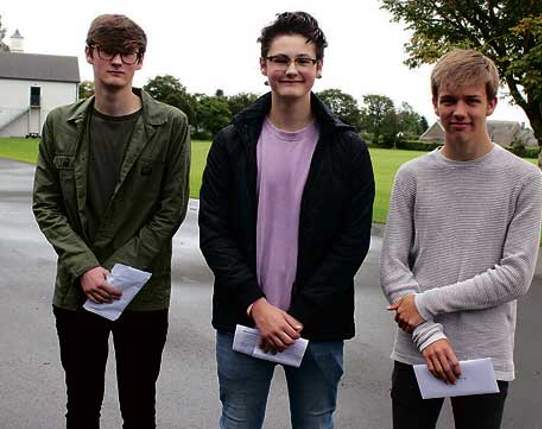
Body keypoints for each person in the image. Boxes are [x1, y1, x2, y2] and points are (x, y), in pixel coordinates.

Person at [199, 11, 375, 429]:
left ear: (319, 67)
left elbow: (352, 241)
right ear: (264, 66)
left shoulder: (347, 148)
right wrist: (257, 305)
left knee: (315, 423)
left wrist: (300, 313)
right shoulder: (232, 141)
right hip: (244, 319)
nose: (291, 69)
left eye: (302, 60)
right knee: (238, 421)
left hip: (318, 325)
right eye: (280, 59)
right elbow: (214, 231)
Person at [32, 14, 190, 429]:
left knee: (139, 408)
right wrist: (86, 267)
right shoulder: (59, 123)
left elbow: (171, 208)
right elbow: (46, 204)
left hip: (142, 291)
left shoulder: (170, 124)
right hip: (76, 290)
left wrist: (117, 272)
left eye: (128, 53)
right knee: (81, 407)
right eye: (107, 51)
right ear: (90, 54)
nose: (117, 61)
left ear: (140, 60)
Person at [379, 49, 542, 429]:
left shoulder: (524, 180)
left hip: (484, 355)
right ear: (435, 103)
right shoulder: (412, 176)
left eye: (472, 100)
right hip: (416, 349)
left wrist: (424, 304)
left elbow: (515, 276)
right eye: (449, 100)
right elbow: (393, 266)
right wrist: (428, 335)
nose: (459, 111)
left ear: (491, 104)